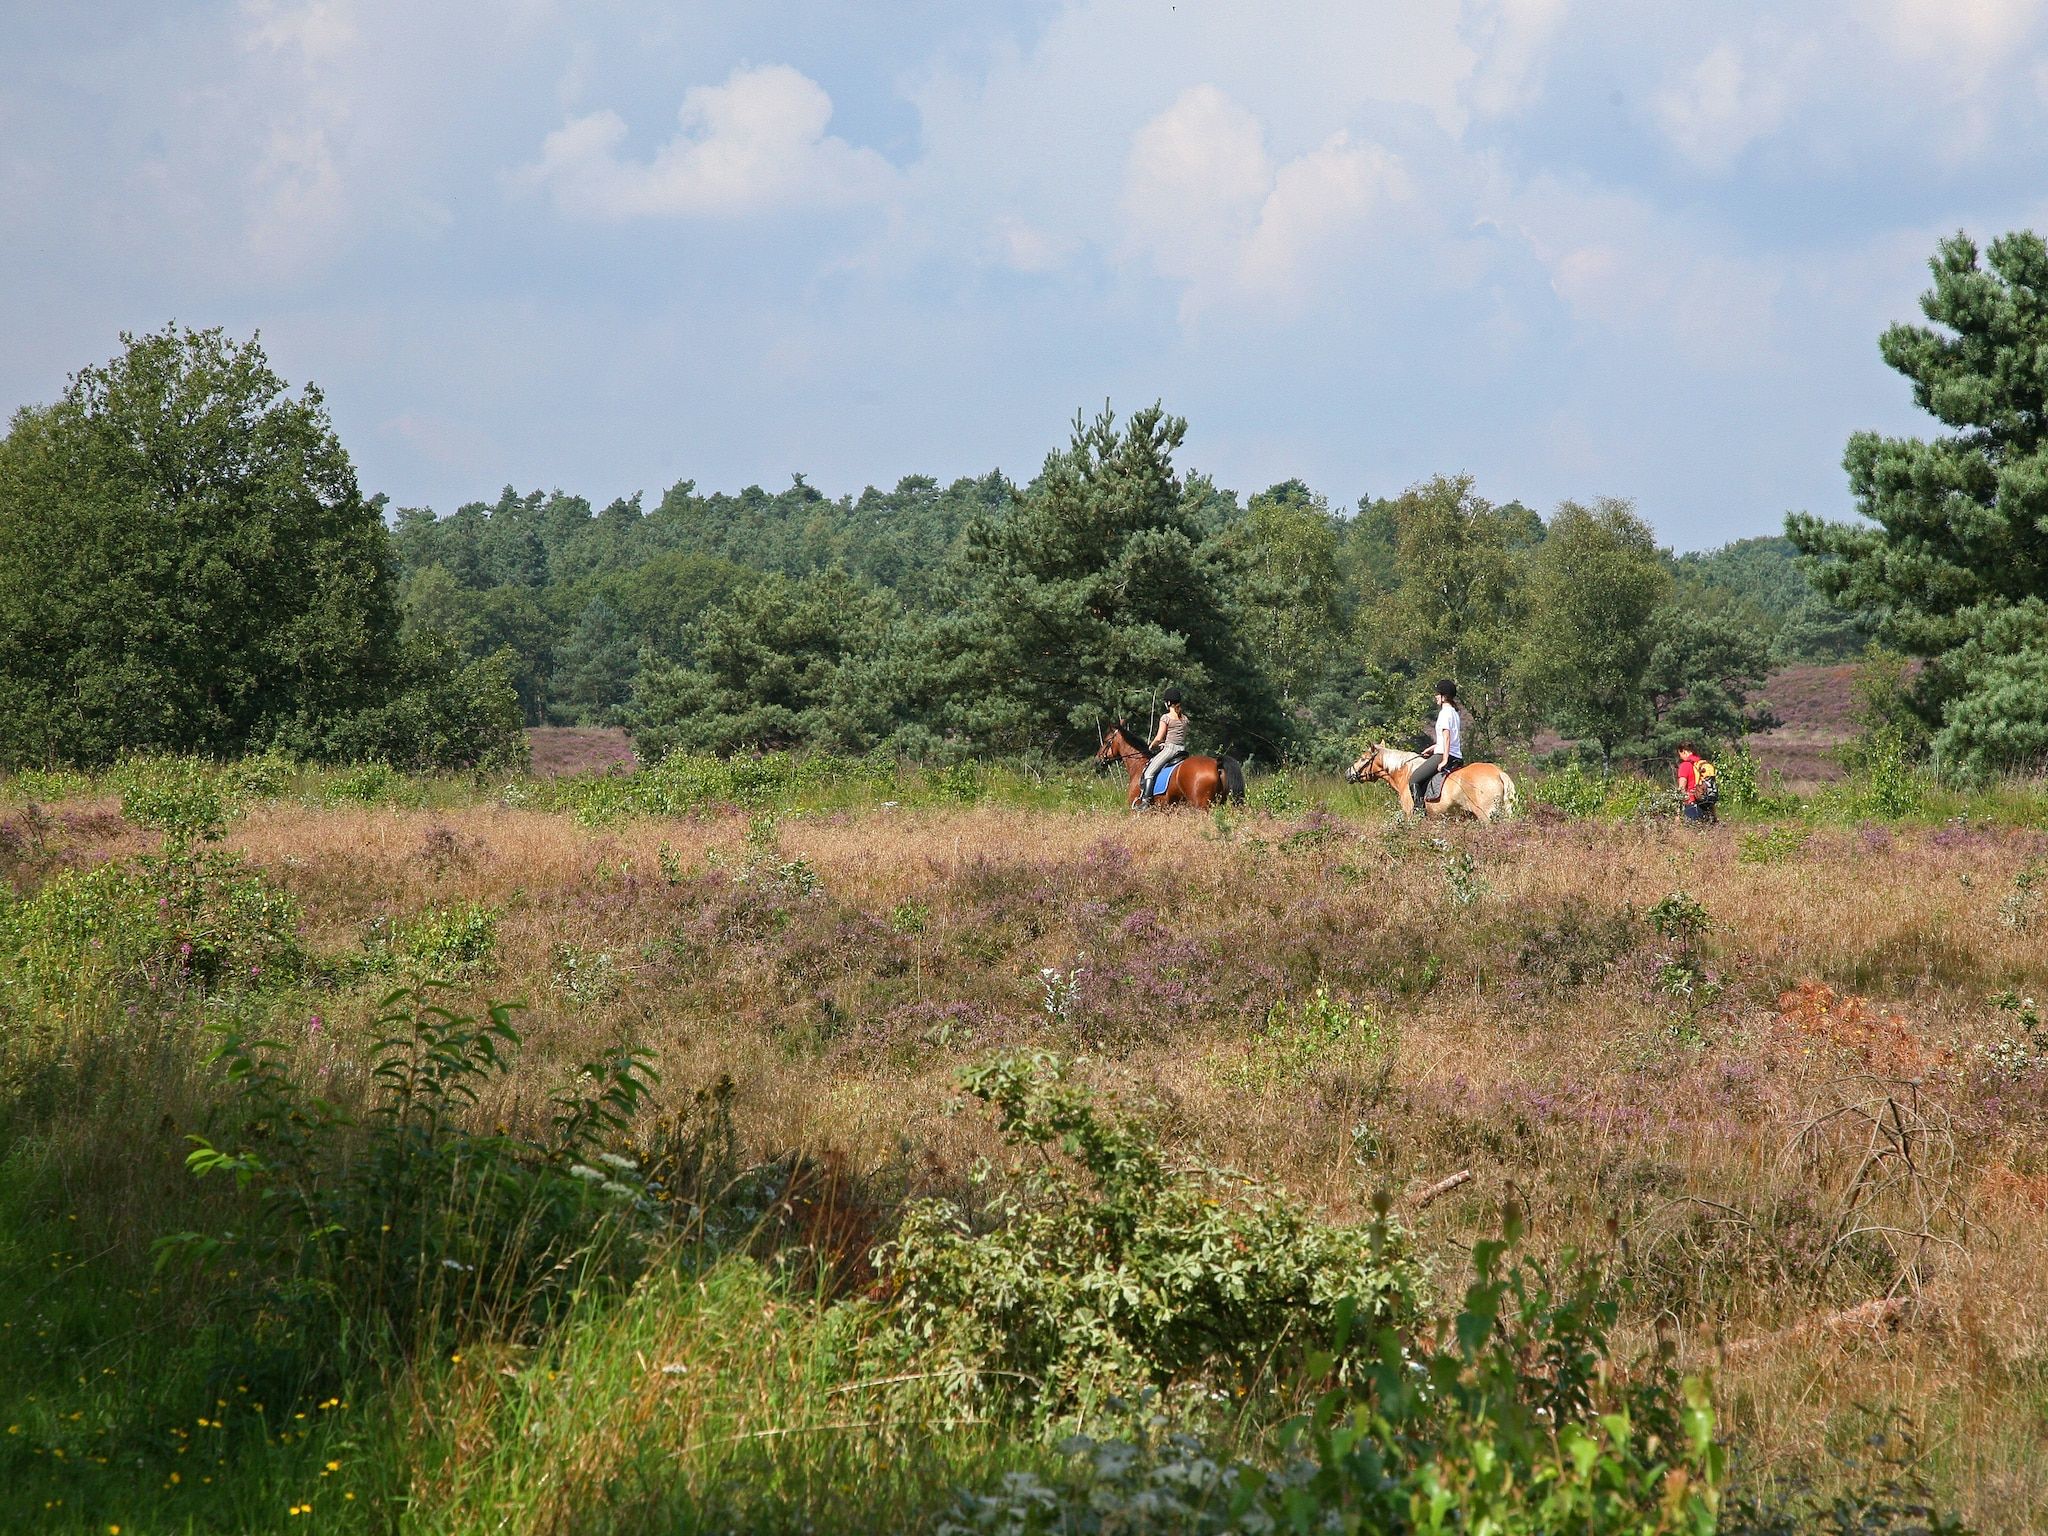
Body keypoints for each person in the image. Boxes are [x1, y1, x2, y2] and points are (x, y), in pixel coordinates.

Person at [1410, 679, 1463, 812]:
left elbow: (1446, 737)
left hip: (1444, 755)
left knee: (1414, 780)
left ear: (1444, 697)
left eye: (1437, 694)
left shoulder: (1444, 713)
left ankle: (1419, 814)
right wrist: (1432, 748)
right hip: (1456, 755)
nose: (1435, 697)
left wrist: (1444, 759)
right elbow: (1448, 738)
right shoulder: (1454, 713)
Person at [1138, 688, 1190, 807]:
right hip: (1182, 750)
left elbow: (1159, 738)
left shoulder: (1165, 718)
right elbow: (1181, 736)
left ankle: (1145, 802)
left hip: (1170, 750)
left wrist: (1151, 746)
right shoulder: (1185, 719)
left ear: (1168, 703)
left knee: (1149, 772)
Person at [1676, 744, 1714, 824]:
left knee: (1692, 833)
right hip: (1706, 806)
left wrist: (1678, 814)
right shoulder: (1703, 765)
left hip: (1691, 805)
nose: (1680, 757)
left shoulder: (1685, 765)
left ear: (1684, 751)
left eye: (1680, 754)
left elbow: (1681, 789)